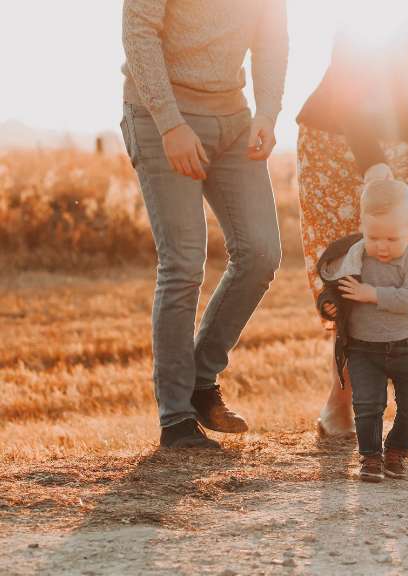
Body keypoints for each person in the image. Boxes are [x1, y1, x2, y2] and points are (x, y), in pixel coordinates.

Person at [296, 1, 408, 436]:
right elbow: (347, 93)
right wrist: (372, 162)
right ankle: (341, 403)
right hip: (335, 142)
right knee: (354, 267)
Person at [120, 0, 288, 449]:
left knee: (261, 253)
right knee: (184, 263)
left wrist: (268, 113)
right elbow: (139, 32)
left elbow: (272, 39)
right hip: (162, 114)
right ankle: (176, 419)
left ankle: (199, 380)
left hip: (233, 118)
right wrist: (170, 123)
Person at [316, 180, 408, 482]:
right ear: (362, 226)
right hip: (364, 349)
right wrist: (329, 306)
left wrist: (372, 294)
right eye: (373, 236)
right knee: (367, 406)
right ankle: (370, 458)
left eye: (393, 238)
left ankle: (396, 452)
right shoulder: (354, 256)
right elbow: (334, 291)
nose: (382, 245)